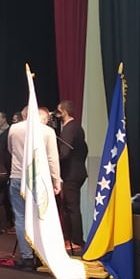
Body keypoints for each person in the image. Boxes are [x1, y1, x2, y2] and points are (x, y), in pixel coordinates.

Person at [8, 106, 61, 268]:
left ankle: (27, 257)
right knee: (41, 217)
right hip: (39, 179)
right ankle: (42, 255)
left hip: (18, 176)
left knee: (21, 218)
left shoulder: (14, 128)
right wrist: (56, 180)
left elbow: (10, 149)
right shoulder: (47, 131)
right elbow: (52, 158)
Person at [56, 100, 88, 253]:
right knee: (69, 207)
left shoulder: (70, 128)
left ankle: (75, 240)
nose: (56, 115)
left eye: (58, 111)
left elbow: (64, 153)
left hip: (71, 174)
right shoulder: (77, 127)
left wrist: (51, 160)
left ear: (64, 112)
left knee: (71, 207)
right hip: (77, 172)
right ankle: (71, 238)